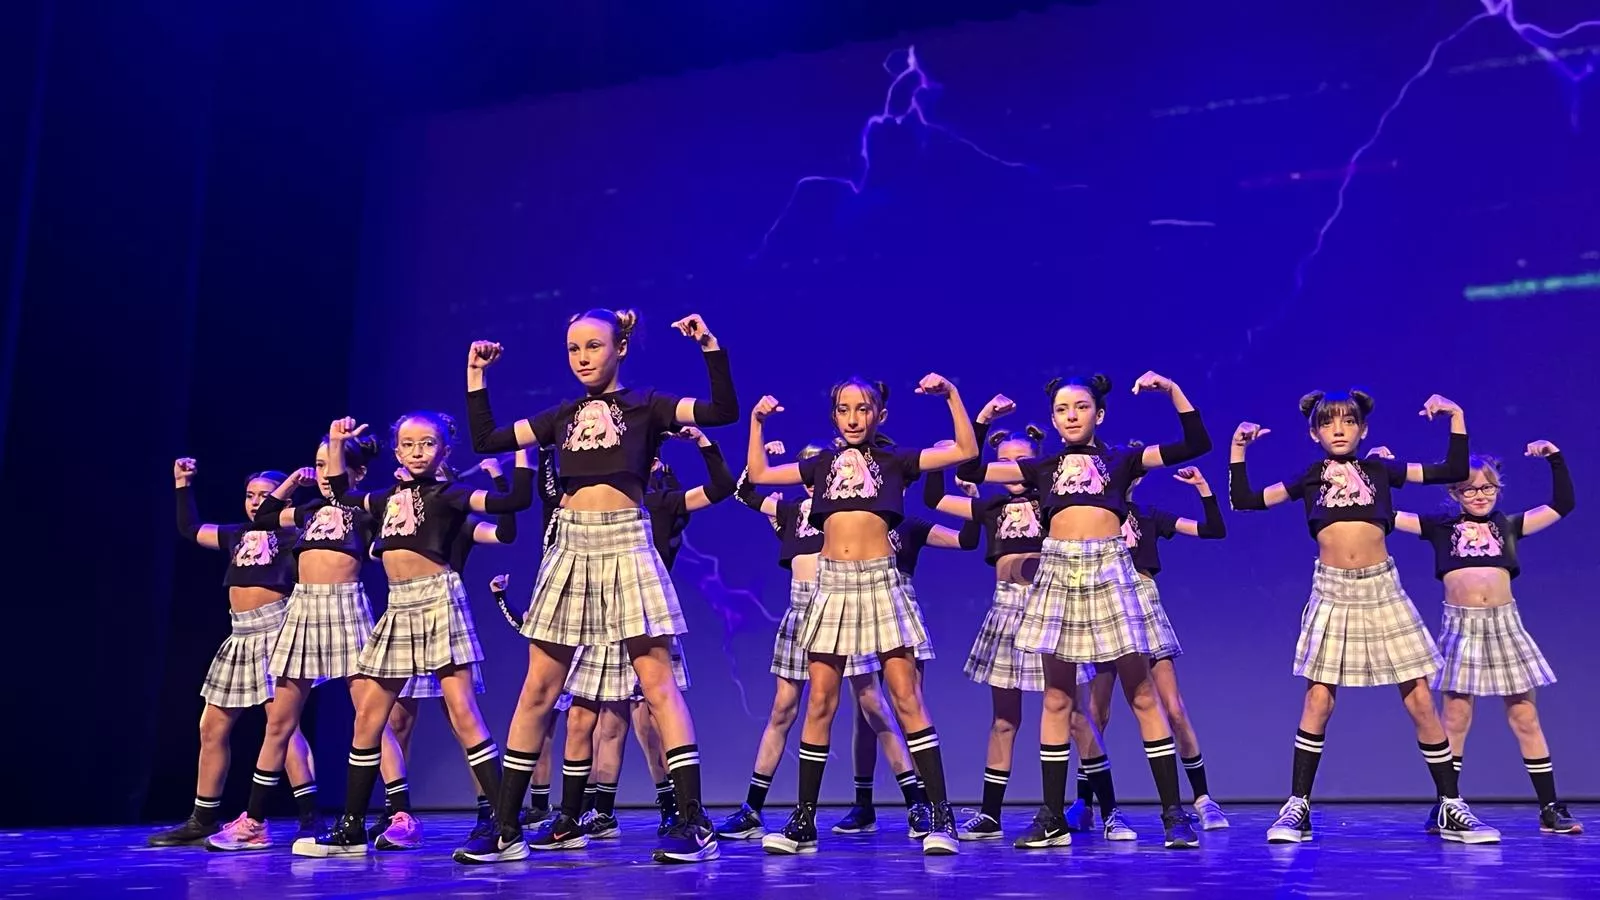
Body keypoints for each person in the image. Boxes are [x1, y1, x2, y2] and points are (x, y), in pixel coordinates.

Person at [457, 309, 738, 865]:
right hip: (572, 547)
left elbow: (722, 410)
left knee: (656, 683)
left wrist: (708, 345)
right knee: (539, 685)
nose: (582, 357)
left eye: (593, 346)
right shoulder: (561, 415)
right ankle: (507, 824)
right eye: (572, 349)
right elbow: (487, 437)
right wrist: (476, 376)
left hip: (627, 542)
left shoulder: (647, 405)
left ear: (621, 349)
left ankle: (690, 819)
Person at [1229, 389, 1500, 844]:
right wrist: (1238, 450)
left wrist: (1457, 415)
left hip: (1382, 587)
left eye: (1348, 421)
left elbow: (1450, 470)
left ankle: (1451, 804)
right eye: (1329, 422)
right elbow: (1246, 500)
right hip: (1332, 590)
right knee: (1318, 697)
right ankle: (1298, 806)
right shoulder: (1310, 477)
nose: (1339, 428)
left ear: (1363, 429)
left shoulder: (1380, 470)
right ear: (1314, 433)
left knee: (1417, 694)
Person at [957, 372, 1211, 850]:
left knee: (1140, 695)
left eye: (1080, 407)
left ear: (1099, 413)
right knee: (1056, 698)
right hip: (1057, 573)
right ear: (1052, 419)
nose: (1071, 416)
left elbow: (1195, 442)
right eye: (1061, 410)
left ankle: (1174, 814)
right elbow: (969, 470)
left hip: (1109, 571)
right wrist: (982, 417)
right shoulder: (1041, 468)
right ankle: (1052, 816)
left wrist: (1174, 391)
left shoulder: (1121, 461)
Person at [746, 374, 978, 855]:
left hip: (881, 582)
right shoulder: (822, 463)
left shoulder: (895, 460)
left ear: (879, 415)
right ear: (834, 416)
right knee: (820, 703)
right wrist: (756, 423)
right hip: (831, 585)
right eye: (844, 410)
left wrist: (951, 395)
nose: (854, 418)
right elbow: (761, 475)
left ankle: (941, 816)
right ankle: (803, 821)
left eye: (863, 409)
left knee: (906, 698)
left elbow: (962, 448)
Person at [293, 412, 532, 857]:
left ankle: (504, 827)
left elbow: (514, 503)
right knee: (368, 716)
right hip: (399, 606)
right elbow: (343, 494)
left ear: (444, 450)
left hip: (439, 599)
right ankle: (351, 827)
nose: (418, 451)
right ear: (397, 451)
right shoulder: (385, 499)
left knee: (462, 711)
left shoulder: (452, 494)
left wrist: (520, 456)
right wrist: (336, 441)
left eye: (428, 443)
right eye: (408, 444)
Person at [1374, 441, 1580, 835]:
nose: (1479, 496)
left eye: (1487, 488)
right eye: (1469, 489)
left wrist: (1555, 458)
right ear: (1454, 492)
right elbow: (1381, 511)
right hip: (1461, 627)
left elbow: (1561, 505)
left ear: (1497, 491)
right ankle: (1446, 804)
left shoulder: (1508, 525)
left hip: (1505, 625)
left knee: (1524, 715)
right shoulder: (1440, 527)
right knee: (1455, 717)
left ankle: (1550, 807)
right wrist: (1383, 470)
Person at [149, 463, 320, 847]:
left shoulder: (295, 536)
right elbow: (190, 529)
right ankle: (203, 817)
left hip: (277, 630)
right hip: (239, 635)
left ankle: (310, 818)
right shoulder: (236, 535)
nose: (256, 503)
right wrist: (182, 484)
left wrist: (293, 485)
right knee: (211, 726)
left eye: (265, 496)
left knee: (283, 728)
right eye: (250, 495)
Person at [1067, 458, 1229, 836]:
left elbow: (1212, 529)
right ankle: (1084, 801)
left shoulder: (1148, 515)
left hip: (1143, 604)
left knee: (1172, 708)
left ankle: (1202, 798)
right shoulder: (1086, 515)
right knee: (1096, 712)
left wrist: (1204, 490)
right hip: (1103, 604)